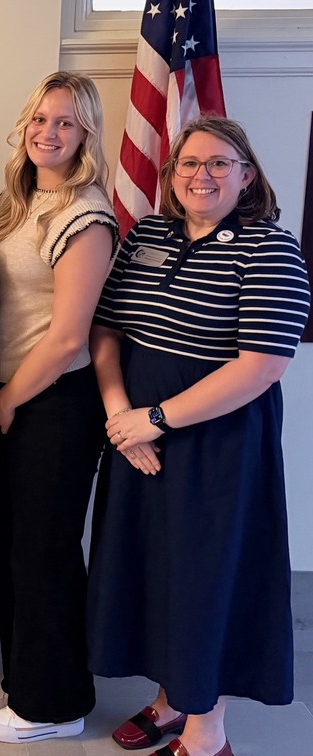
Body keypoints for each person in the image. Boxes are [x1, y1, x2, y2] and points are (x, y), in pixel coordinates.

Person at [89, 116, 310, 756]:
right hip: (136, 435)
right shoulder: (148, 235)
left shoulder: (272, 247)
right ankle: (168, 700)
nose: (202, 175)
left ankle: (206, 732)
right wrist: (121, 418)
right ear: (170, 174)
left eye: (219, 163)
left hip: (218, 445)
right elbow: (105, 331)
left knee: (204, 580)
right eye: (189, 164)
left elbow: (262, 365)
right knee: (157, 571)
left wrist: (155, 419)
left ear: (247, 175)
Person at [0, 71, 118, 744]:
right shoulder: (20, 202)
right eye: (40, 119)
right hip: (11, 404)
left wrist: (4, 399)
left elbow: (66, 338)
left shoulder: (84, 214)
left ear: (86, 134)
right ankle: (22, 676)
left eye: (64, 122)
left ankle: (54, 704)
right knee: (14, 548)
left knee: (46, 552)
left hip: (52, 406)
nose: (48, 132)